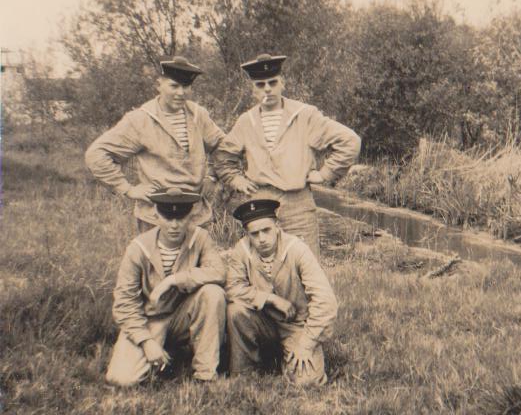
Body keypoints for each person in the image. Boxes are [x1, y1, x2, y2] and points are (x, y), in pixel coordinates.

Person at [214, 53, 361, 258]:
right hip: (260, 202)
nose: (267, 89)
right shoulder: (246, 121)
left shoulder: (305, 115)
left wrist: (325, 173)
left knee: (305, 263)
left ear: (282, 83)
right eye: (260, 85)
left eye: (272, 82)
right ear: (253, 90)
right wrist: (236, 179)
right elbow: (223, 156)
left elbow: (349, 141)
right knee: (263, 264)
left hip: (297, 205)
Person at [85, 56, 225, 232]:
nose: (181, 93)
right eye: (174, 86)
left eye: (186, 86)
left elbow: (224, 146)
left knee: (201, 251)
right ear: (159, 85)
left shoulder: (198, 115)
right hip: (156, 217)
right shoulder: (140, 119)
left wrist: (212, 176)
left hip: (196, 216)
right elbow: (96, 154)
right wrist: (127, 189)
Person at [105, 188, 226, 386]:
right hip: (149, 320)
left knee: (213, 293)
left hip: (183, 317)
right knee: (121, 379)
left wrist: (174, 279)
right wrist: (146, 341)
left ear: (190, 215)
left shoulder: (200, 238)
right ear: (156, 214)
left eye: (181, 217)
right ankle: (166, 351)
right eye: (168, 217)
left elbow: (219, 272)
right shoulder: (138, 248)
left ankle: (205, 374)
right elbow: (125, 304)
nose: (174, 225)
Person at [225, 199, 338, 386]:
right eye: (254, 234)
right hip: (262, 321)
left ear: (277, 226)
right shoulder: (242, 249)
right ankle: (246, 369)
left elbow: (325, 301)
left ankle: (287, 356)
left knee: (306, 381)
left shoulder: (297, 249)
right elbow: (232, 288)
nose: (261, 238)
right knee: (235, 311)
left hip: (296, 326)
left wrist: (306, 344)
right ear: (246, 233)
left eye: (266, 230)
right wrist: (270, 299)